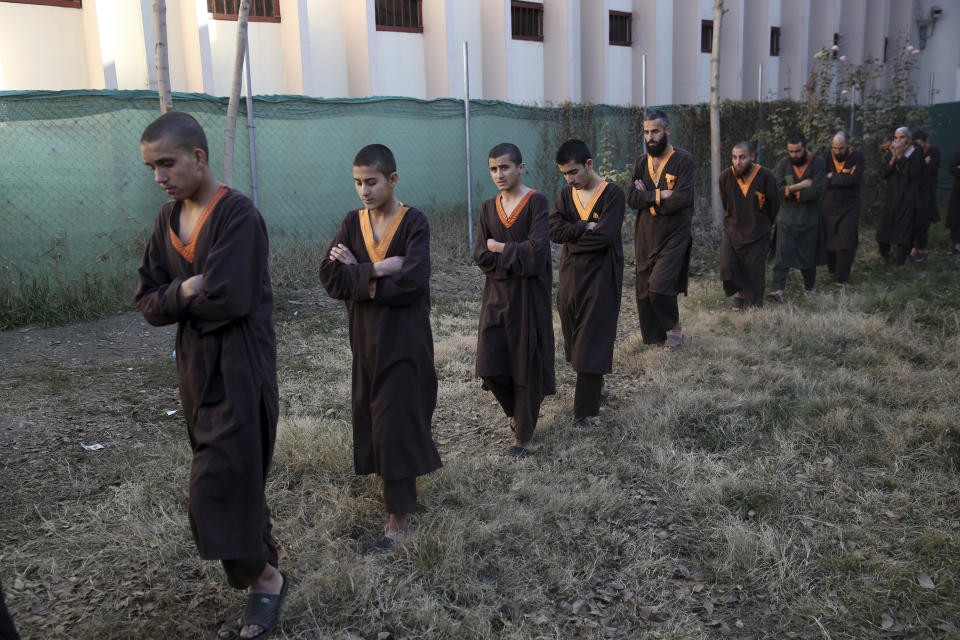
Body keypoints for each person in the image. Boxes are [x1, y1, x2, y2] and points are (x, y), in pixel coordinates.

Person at [135, 112, 286, 640]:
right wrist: (185, 289)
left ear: (198, 157)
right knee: (233, 478)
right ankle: (261, 564)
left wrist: (184, 297)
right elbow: (147, 301)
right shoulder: (166, 220)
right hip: (196, 372)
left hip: (241, 368)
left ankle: (266, 579)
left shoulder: (237, 216)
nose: (160, 176)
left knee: (215, 487)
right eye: (152, 167)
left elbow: (231, 298)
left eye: (168, 163)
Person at [318, 144, 442, 552]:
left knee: (395, 422)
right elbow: (331, 278)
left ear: (392, 179)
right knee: (375, 418)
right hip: (365, 342)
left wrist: (359, 275)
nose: (364, 191)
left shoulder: (413, 223)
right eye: (357, 182)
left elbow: (413, 280)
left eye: (371, 181)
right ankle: (400, 494)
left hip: (405, 340)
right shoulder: (351, 224)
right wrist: (377, 269)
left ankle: (398, 519)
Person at [474, 143, 556, 460]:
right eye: (494, 169)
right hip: (496, 295)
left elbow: (537, 255)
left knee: (525, 363)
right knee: (489, 364)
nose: (499, 174)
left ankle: (522, 438)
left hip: (529, 297)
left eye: (505, 167)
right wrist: (509, 253)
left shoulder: (536, 201)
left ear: (520, 168)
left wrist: (499, 248)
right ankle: (518, 412)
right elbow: (480, 254)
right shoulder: (487, 207)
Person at [549, 139, 625, 428]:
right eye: (564, 174)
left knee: (590, 340)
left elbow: (604, 237)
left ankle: (585, 412)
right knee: (573, 337)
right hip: (571, 276)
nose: (569, 179)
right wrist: (582, 227)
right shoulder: (567, 194)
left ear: (589, 165)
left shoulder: (612, 194)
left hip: (602, 276)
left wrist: (572, 240)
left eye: (574, 172)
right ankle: (599, 384)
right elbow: (553, 230)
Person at [626, 110, 695, 345]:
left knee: (659, 286)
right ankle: (655, 337)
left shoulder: (683, 160)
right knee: (644, 290)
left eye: (654, 131)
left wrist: (648, 199)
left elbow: (682, 199)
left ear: (667, 130)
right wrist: (659, 194)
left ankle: (674, 328)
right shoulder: (640, 163)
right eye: (646, 132)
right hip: (646, 235)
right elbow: (631, 198)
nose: (650, 137)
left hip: (674, 234)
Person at [717, 141, 779, 309]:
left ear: (752, 157)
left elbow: (774, 205)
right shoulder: (725, 176)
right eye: (735, 157)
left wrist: (764, 224)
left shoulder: (766, 176)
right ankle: (740, 292)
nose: (738, 161)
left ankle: (752, 304)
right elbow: (725, 202)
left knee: (754, 272)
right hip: (732, 230)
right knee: (727, 266)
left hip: (758, 232)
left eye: (742, 157)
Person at [769, 133, 827, 301]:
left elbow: (818, 189)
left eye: (798, 151)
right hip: (787, 218)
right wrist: (800, 186)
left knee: (808, 255)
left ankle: (810, 288)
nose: (794, 155)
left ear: (805, 148)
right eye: (791, 151)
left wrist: (791, 191)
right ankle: (777, 290)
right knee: (782, 254)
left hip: (810, 218)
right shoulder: (784, 164)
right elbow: (776, 189)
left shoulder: (818, 163)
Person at [821, 131, 865, 288]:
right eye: (835, 148)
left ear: (849, 146)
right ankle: (833, 270)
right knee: (829, 241)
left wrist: (832, 177)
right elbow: (821, 178)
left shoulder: (858, 157)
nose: (837, 152)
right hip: (828, 205)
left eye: (841, 148)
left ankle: (841, 279)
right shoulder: (826, 155)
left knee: (846, 241)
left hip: (849, 207)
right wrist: (843, 178)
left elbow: (854, 179)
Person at [877, 127, 924, 266]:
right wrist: (893, 158)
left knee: (903, 231)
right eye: (896, 138)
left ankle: (900, 263)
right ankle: (886, 254)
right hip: (890, 197)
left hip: (907, 198)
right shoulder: (892, 152)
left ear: (909, 140)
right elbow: (884, 173)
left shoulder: (915, 152)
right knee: (882, 229)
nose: (898, 141)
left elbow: (913, 173)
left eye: (902, 137)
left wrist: (900, 157)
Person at [912, 130, 941, 262]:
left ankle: (921, 249)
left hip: (928, 191)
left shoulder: (934, 151)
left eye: (920, 144)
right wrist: (924, 162)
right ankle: (913, 248)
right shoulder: (914, 152)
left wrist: (923, 164)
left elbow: (930, 169)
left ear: (925, 141)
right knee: (913, 220)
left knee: (923, 220)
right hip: (915, 191)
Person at [948, 148, 960, 255]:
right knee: (956, 216)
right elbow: (952, 168)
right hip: (958, 191)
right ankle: (957, 245)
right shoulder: (958, 153)